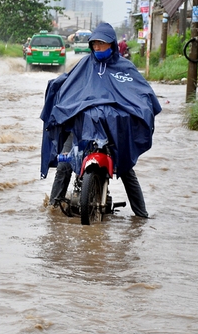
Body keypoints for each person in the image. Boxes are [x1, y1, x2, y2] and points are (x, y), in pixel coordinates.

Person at [40, 22, 162, 218]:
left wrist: (140, 108)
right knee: (64, 166)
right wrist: (56, 87)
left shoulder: (125, 68)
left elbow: (141, 92)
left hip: (112, 128)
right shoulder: (84, 65)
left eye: (101, 44)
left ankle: (141, 216)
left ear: (111, 44)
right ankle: (53, 209)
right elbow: (69, 84)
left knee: (126, 169)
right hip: (81, 125)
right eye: (94, 44)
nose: (97, 48)